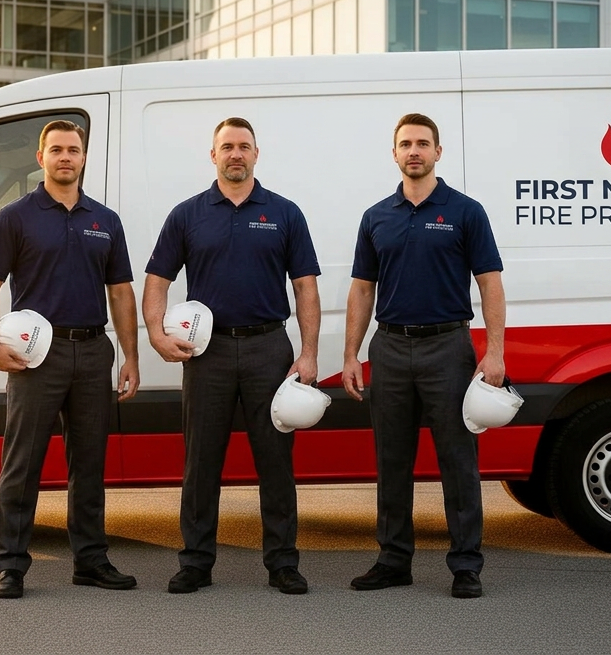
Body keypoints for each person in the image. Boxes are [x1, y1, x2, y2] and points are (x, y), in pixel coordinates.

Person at [143, 117, 321, 595]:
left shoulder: (285, 213)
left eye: (244, 146)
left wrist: (308, 353)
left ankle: (283, 563)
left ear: (256, 154)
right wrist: (157, 335)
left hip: (270, 350)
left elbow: (305, 287)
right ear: (213, 155)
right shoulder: (187, 214)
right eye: (227, 147)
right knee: (201, 462)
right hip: (208, 353)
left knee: (276, 462)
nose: (235, 154)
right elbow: (157, 279)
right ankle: (196, 562)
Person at [340, 112, 506, 600]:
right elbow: (361, 288)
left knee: (458, 460)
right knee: (392, 460)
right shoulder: (376, 216)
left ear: (438, 152)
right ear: (394, 154)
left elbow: (490, 283)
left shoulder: (465, 211)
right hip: (389, 348)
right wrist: (350, 354)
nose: (414, 151)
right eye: (406, 144)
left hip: (448, 348)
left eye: (423, 143)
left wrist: (494, 351)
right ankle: (394, 560)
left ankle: (466, 565)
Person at [0, 120, 141, 600]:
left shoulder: (105, 220)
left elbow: (121, 292)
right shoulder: (15, 217)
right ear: (41, 158)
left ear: (84, 158)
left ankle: (90, 561)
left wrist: (129, 356)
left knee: (89, 464)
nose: (65, 157)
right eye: (56, 150)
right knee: (22, 464)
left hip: (92, 351)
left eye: (74, 150)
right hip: (34, 358)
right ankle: (10, 566)